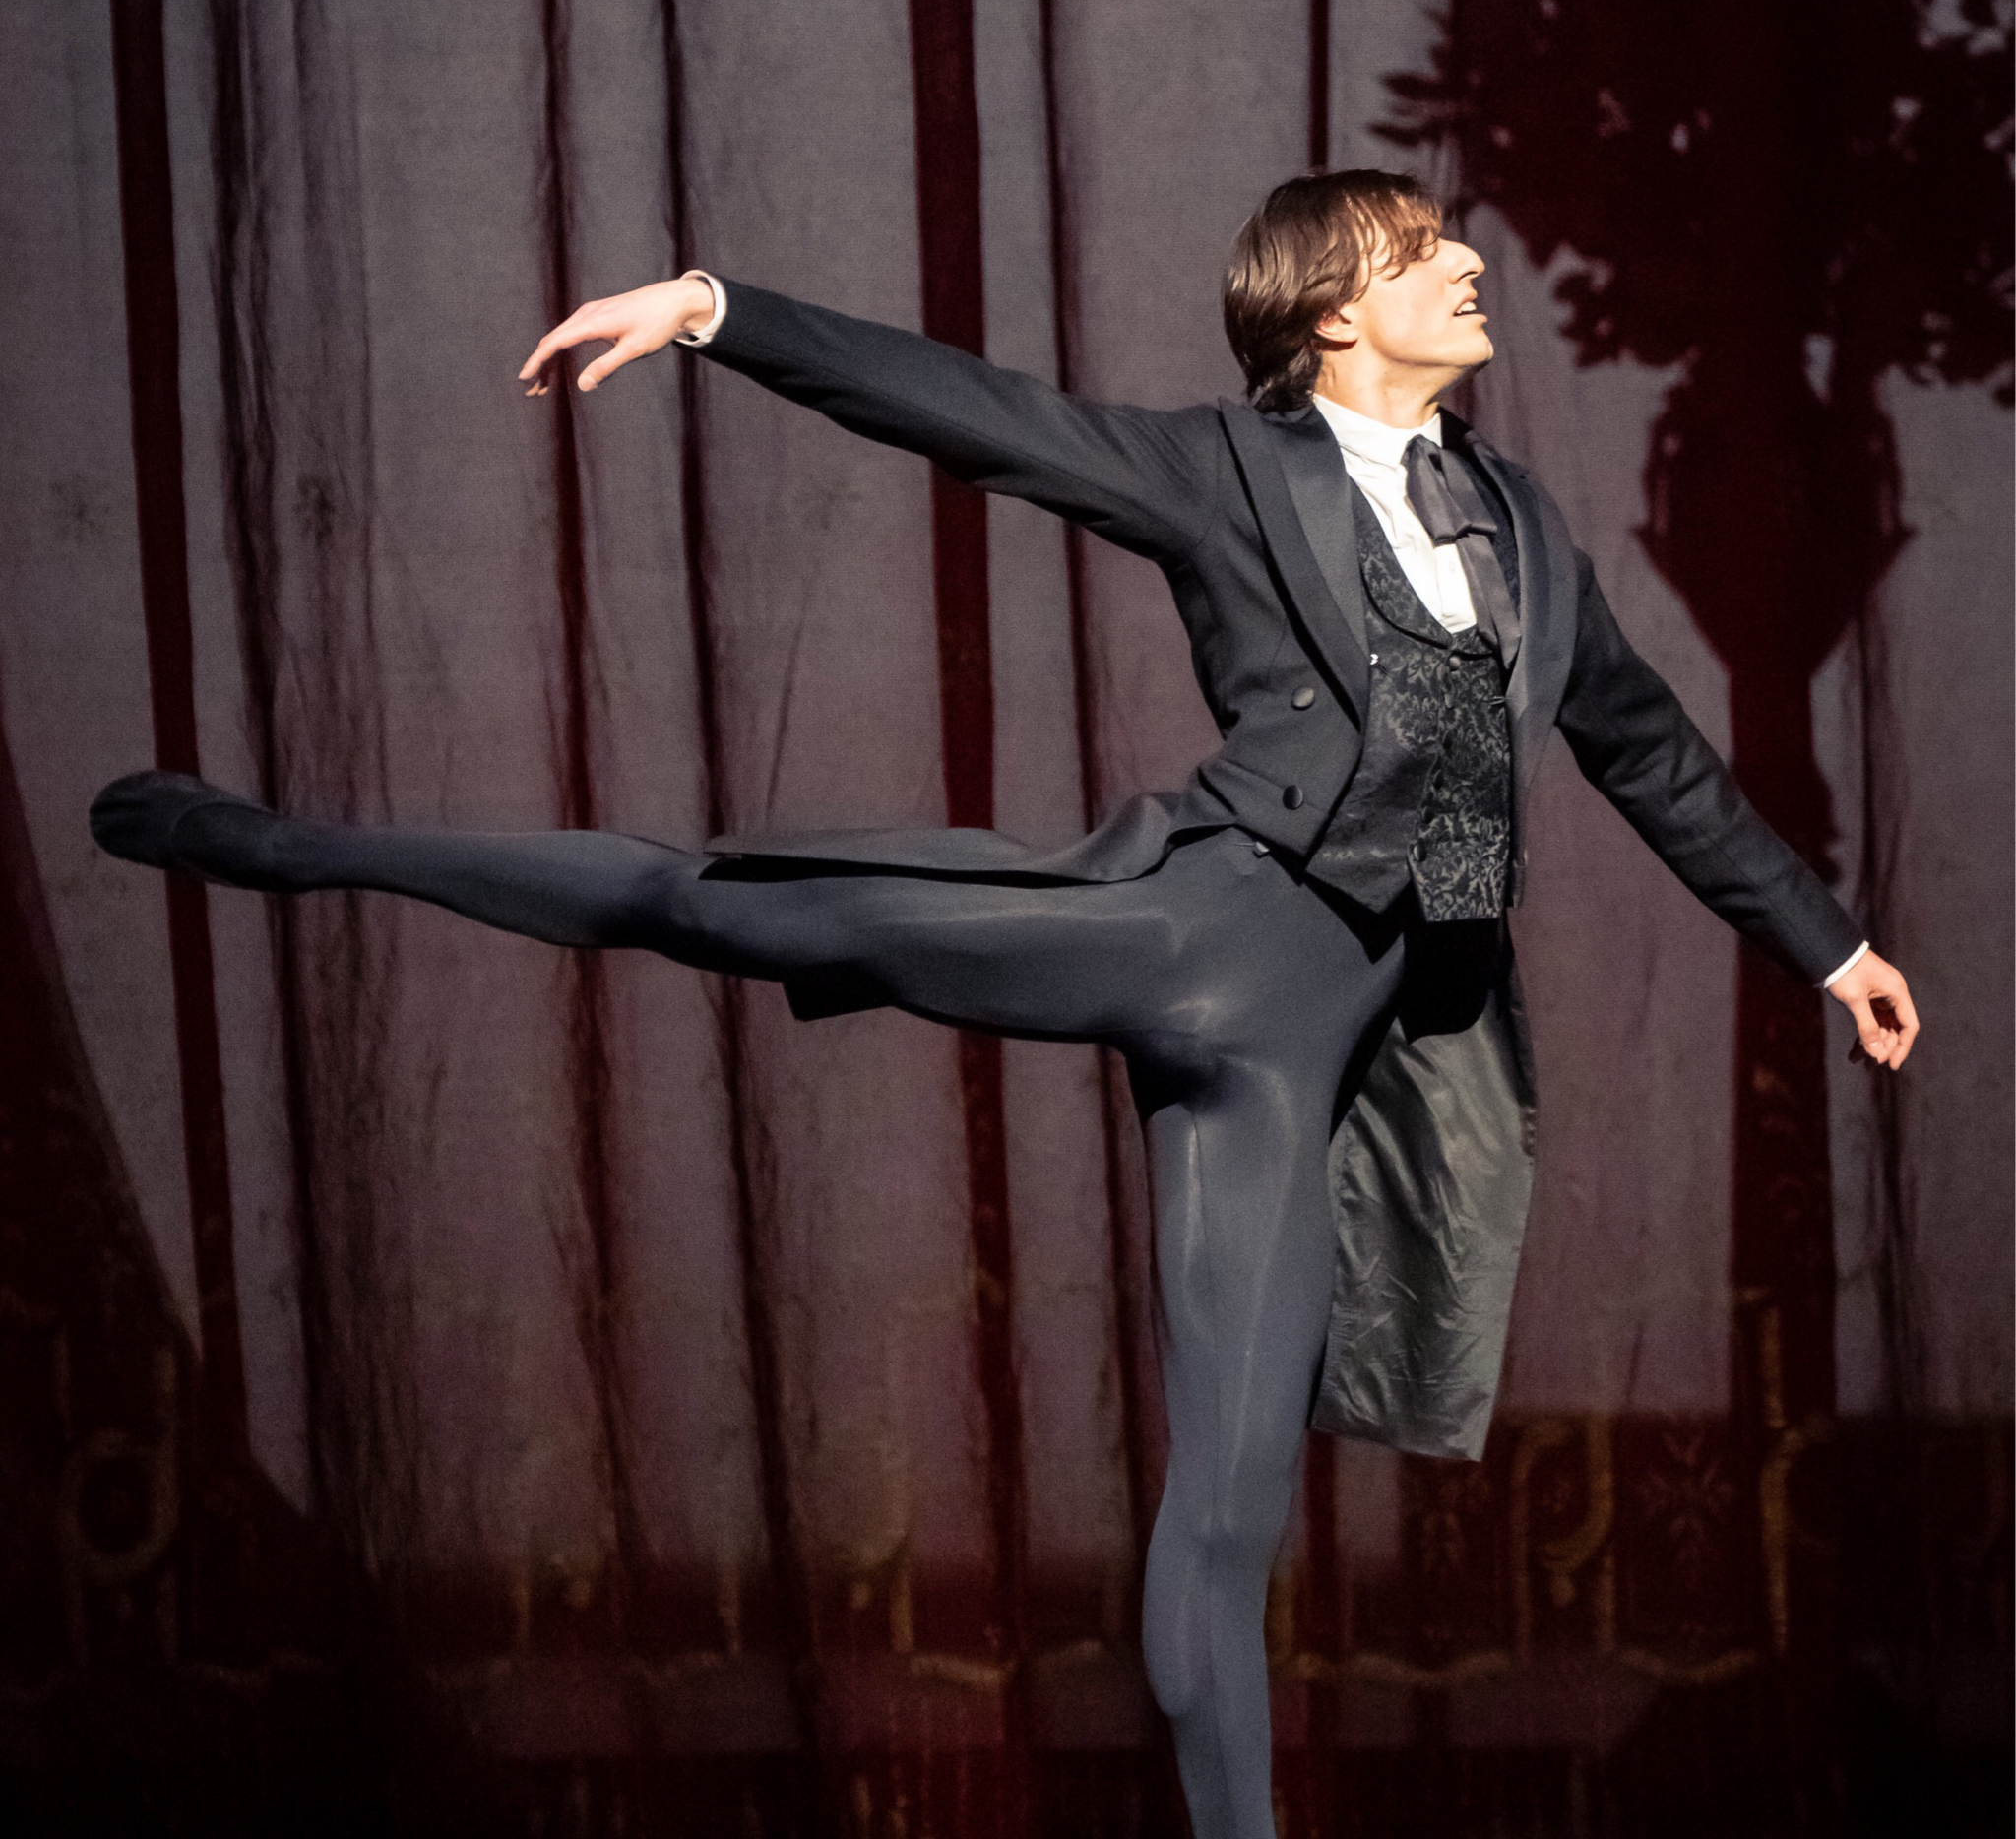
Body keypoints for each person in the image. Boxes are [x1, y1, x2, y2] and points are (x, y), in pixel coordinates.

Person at [91, 169, 1917, 1839]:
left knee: (1228, 1509)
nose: (1467, 260)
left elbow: (1653, 758)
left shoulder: (1520, 524)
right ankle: (292, 845)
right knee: (726, 905)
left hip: (1305, 1055)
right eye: (1420, 247)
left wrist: (1828, 947)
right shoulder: (1226, 468)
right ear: (1334, 311)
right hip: (1184, 927)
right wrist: (726, 313)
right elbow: (988, 421)